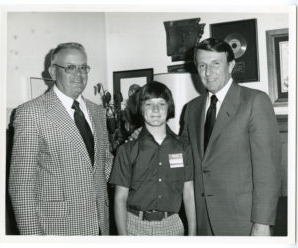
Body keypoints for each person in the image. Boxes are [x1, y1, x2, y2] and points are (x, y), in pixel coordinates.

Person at [8, 42, 113, 235]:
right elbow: (21, 185)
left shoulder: (98, 112)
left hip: (99, 225)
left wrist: (136, 151)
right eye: (70, 68)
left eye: (83, 68)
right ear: (54, 72)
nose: (79, 75)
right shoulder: (31, 113)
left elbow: (105, 164)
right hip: (57, 228)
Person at [180, 37, 281, 236]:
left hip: (243, 223)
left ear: (231, 65)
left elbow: (268, 171)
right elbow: (181, 152)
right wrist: (149, 136)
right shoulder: (191, 109)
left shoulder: (254, 102)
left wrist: (262, 224)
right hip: (203, 222)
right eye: (202, 65)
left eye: (215, 64)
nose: (208, 72)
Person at [109, 81, 196, 236]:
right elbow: (120, 198)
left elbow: (188, 193)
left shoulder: (183, 148)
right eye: (148, 104)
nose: (155, 109)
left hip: (172, 226)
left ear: (169, 108)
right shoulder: (127, 150)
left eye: (161, 103)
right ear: (140, 108)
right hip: (134, 226)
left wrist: (193, 233)